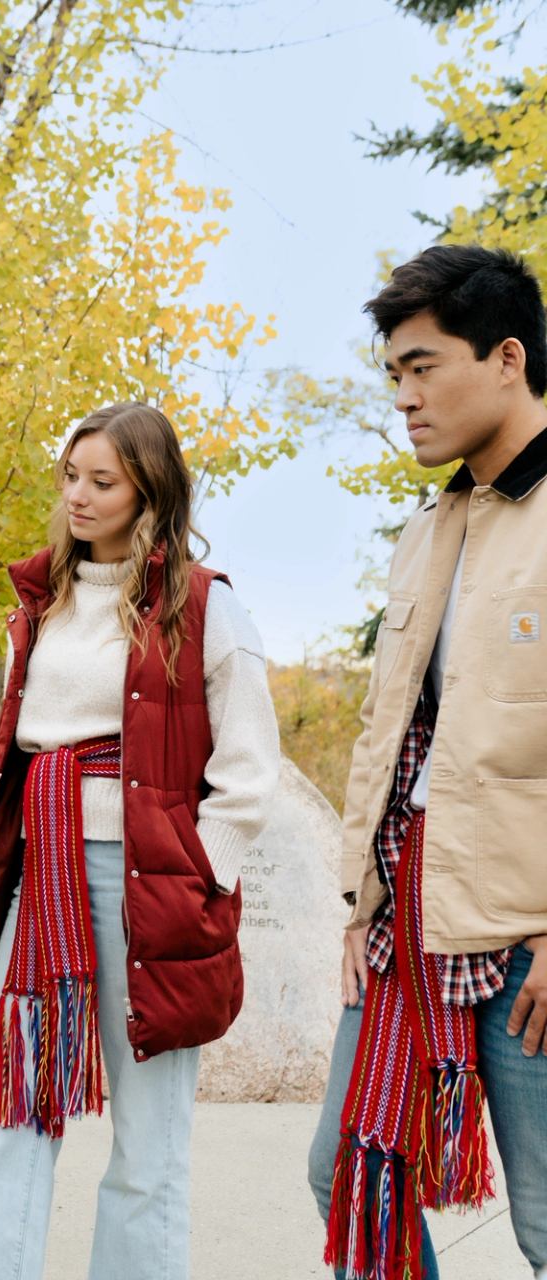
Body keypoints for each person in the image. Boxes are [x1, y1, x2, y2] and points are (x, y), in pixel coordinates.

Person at [0, 401, 283, 1279]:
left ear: (149, 490)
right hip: (40, 877)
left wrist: (202, 880)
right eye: (71, 477)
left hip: (151, 887)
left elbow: (248, 768)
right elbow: (13, 752)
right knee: (6, 1115)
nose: (78, 497)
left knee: (149, 1145)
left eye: (103, 481)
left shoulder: (205, 608)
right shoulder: (40, 599)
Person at [306, 245, 547, 1280]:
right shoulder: (428, 527)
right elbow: (392, 734)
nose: (403, 398)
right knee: (350, 1176)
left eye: (421, 367)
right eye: (392, 376)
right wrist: (360, 900)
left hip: (528, 947)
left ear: (506, 357)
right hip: (407, 927)